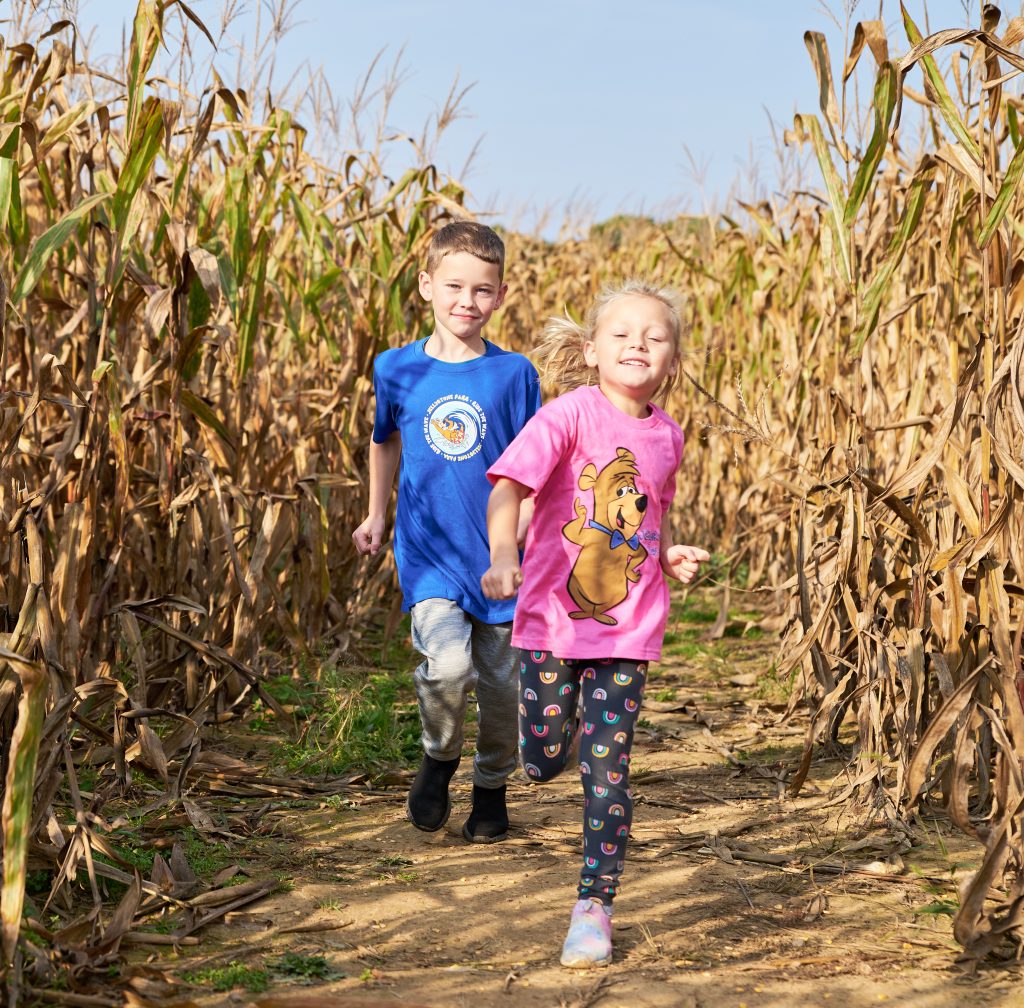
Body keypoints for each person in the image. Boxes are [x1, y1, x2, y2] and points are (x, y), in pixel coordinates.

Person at [481, 280, 709, 968]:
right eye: (622, 333)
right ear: (590, 350)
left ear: (672, 358)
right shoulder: (568, 415)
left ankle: (594, 906)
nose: (638, 343)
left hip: (628, 632)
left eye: (655, 336)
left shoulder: (668, 435)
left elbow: (649, 519)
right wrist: (501, 555)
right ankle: (556, 737)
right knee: (543, 758)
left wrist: (668, 554)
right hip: (552, 623)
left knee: (608, 777)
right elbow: (509, 488)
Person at [353, 220, 541, 843]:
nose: (467, 301)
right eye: (454, 286)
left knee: (501, 685)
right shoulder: (395, 369)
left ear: (501, 295)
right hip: (430, 555)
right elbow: (384, 444)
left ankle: (491, 787)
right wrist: (377, 515)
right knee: (447, 667)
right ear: (427, 285)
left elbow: (532, 467)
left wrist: (525, 547)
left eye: (483, 290)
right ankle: (438, 757)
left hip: (497, 558)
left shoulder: (514, 374)